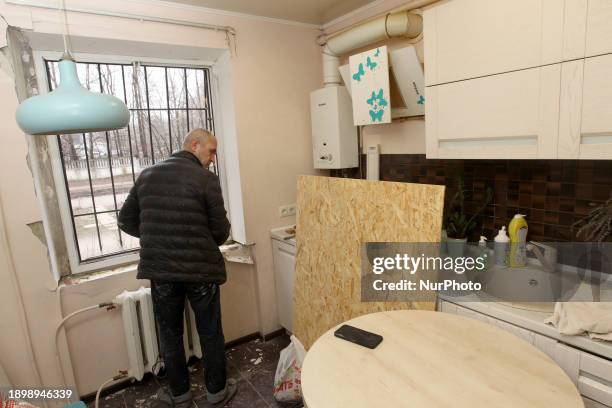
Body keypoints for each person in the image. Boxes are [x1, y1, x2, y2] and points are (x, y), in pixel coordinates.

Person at [118, 129, 236, 407]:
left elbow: (125, 220)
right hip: (201, 270)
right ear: (195, 145)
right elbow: (220, 232)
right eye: (211, 151)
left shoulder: (147, 176)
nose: (212, 159)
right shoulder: (206, 180)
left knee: (169, 333)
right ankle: (216, 392)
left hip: (161, 271)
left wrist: (156, 237)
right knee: (209, 331)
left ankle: (180, 395)